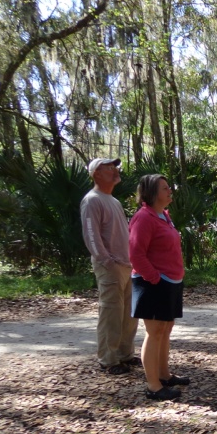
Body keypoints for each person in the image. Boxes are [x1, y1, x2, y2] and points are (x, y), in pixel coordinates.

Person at [128, 175, 188, 401]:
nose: (170, 190)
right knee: (154, 333)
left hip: (170, 281)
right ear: (152, 193)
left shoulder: (163, 215)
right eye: (165, 188)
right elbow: (136, 254)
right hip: (154, 283)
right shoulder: (143, 218)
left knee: (165, 330)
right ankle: (153, 386)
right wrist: (154, 278)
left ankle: (164, 375)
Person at [80, 157, 140, 375]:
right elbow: (91, 235)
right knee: (111, 313)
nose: (115, 170)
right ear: (96, 173)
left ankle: (125, 354)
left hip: (126, 265)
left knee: (129, 314)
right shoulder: (92, 200)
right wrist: (106, 261)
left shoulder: (113, 201)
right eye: (109, 167)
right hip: (110, 266)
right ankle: (108, 359)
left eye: (115, 167)